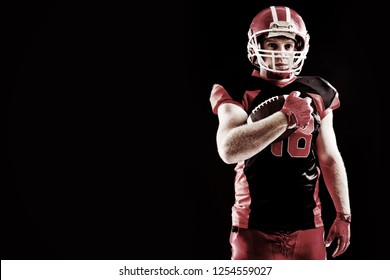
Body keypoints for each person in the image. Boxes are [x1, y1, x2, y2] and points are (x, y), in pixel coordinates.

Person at [209, 5, 351, 260]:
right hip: (253, 225)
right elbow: (229, 150)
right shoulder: (238, 88)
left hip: (308, 223)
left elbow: (329, 157)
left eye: (287, 45)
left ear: (299, 46)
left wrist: (344, 214)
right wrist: (285, 118)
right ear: (255, 46)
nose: (281, 54)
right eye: (272, 45)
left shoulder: (318, 91)